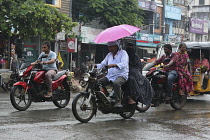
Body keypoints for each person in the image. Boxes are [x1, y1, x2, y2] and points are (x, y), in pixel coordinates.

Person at [97, 40, 129, 107]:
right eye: (109, 47)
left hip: (121, 75)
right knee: (97, 82)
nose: (110, 49)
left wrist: (114, 65)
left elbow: (124, 64)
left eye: (112, 47)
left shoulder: (123, 53)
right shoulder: (109, 55)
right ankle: (105, 97)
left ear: (116, 46)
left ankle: (118, 101)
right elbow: (103, 63)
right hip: (110, 76)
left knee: (116, 83)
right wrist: (95, 66)